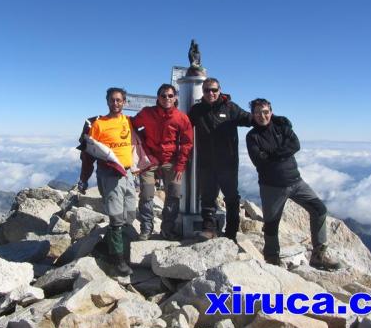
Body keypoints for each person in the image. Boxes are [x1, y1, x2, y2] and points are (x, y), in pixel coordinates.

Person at [188, 78, 288, 242]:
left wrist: (275, 120)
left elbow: (252, 119)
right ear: (202, 91)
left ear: (220, 89)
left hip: (228, 163)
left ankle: (231, 231)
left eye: (213, 90)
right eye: (207, 90)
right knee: (207, 197)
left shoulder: (230, 108)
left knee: (231, 198)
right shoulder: (197, 110)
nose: (210, 93)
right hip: (206, 162)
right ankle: (209, 229)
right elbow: (183, 125)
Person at [246, 98, 341, 270]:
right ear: (253, 115)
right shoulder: (252, 136)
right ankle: (272, 261)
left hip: (296, 182)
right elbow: (259, 160)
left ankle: (319, 255)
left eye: (266, 112)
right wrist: (281, 152)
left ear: (271, 112)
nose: (262, 116)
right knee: (271, 225)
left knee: (319, 209)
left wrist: (272, 154)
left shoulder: (282, 126)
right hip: (272, 186)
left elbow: (295, 145)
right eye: (258, 112)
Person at [77, 87, 137, 276]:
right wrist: (83, 179)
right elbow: (88, 155)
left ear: (125, 102)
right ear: (107, 101)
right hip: (109, 175)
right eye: (112, 100)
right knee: (116, 218)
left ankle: (106, 248)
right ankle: (118, 261)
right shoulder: (99, 125)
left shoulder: (128, 122)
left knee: (130, 215)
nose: (116, 103)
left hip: (128, 174)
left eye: (119, 100)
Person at [132, 84, 193, 240]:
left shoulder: (181, 117)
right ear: (158, 97)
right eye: (164, 95)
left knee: (173, 195)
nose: (167, 98)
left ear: (175, 98)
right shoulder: (146, 113)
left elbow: (187, 142)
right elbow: (133, 125)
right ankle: (146, 229)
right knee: (146, 194)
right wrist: (143, 148)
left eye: (170, 96)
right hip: (149, 161)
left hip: (171, 162)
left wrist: (180, 165)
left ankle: (167, 230)